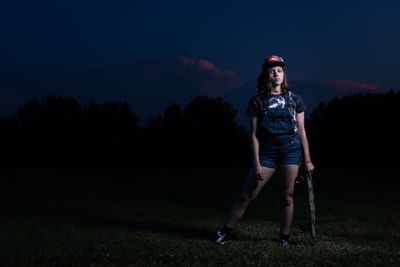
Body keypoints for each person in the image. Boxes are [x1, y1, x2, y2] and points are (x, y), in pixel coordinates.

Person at [215, 55, 315, 246]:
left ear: (283, 74)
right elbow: (253, 135)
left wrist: (308, 160)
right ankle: (225, 232)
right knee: (245, 195)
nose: (276, 73)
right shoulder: (257, 101)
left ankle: (284, 238)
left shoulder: (295, 99)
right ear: (266, 75)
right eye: (272, 70)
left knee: (288, 196)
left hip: (291, 151)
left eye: (279, 70)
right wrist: (257, 163)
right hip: (267, 153)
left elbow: (302, 131)